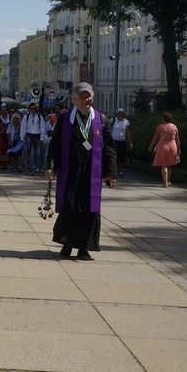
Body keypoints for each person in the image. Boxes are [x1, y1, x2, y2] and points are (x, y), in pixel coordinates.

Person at [46, 82, 118, 261]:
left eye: (88, 96)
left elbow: (110, 148)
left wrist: (111, 173)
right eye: (81, 96)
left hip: (90, 172)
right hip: (70, 170)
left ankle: (84, 248)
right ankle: (68, 243)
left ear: (92, 97)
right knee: (70, 206)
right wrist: (50, 166)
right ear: (75, 98)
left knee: (89, 209)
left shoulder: (101, 120)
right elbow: (55, 144)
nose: (85, 100)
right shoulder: (65, 118)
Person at [148, 112, 181, 188]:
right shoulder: (174, 127)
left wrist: (150, 146)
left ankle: (165, 183)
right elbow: (177, 139)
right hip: (173, 146)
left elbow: (155, 138)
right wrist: (179, 148)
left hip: (163, 146)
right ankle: (168, 181)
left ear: (163, 119)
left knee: (164, 165)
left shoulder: (160, 127)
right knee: (170, 165)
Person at [21, 102, 45, 175]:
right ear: (29, 109)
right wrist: (22, 137)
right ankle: (31, 169)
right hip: (29, 136)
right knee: (30, 153)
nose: (33, 110)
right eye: (31, 109)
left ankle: (36, 166)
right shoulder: (26, 117)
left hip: (36, 136)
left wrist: (42, 138)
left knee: (37, 153)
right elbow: (23, 127)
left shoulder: (39, 117)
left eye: (34, 108)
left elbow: (42, 128)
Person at [111, 108, 133, 178]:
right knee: (114, 156)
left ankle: (120, 170)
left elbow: (128, 132)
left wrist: (130, 142)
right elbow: (108, 129)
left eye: (122, 113)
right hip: (114, 140)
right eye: (119, 113)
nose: (121, 115)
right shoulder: (113, 120)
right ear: (117, 114)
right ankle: (113, 170)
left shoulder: (126, 121)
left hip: (122, 141)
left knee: (121, 156)